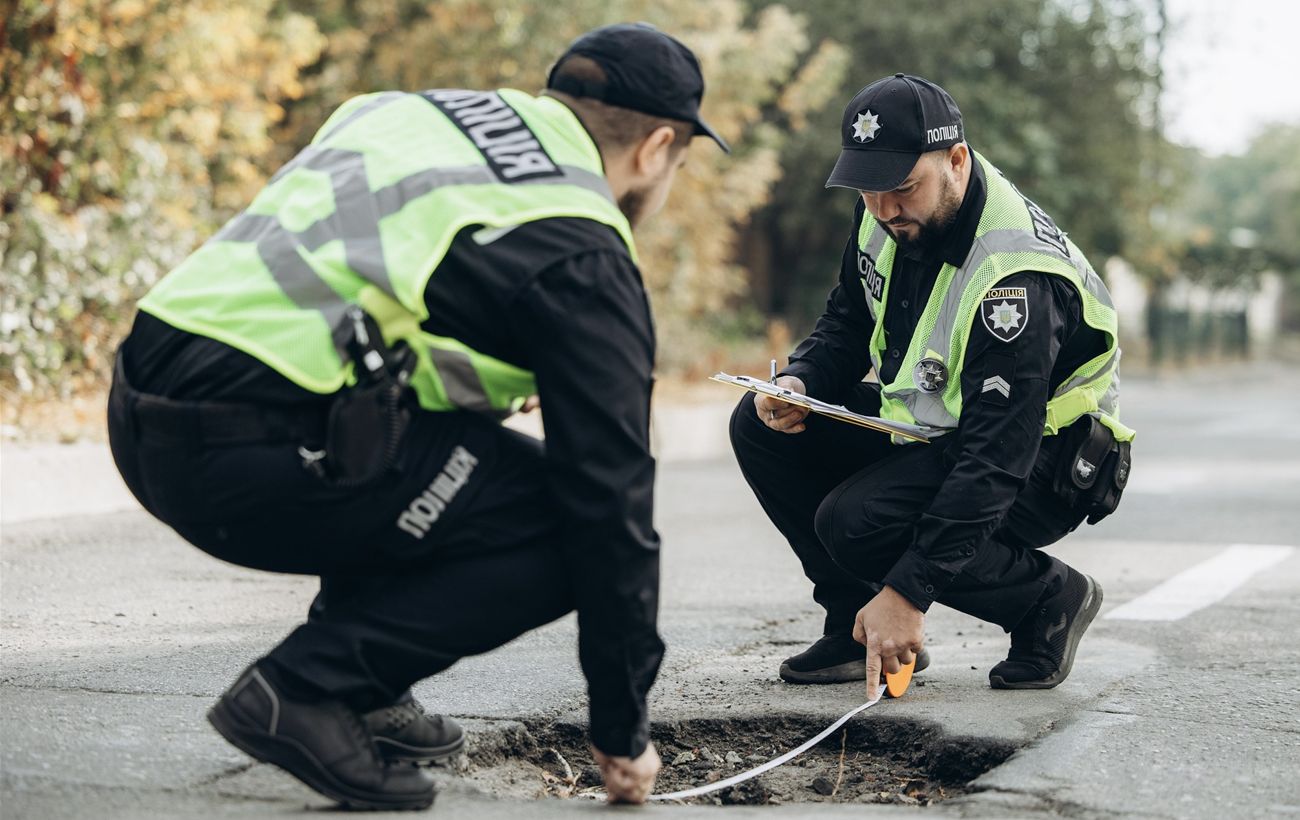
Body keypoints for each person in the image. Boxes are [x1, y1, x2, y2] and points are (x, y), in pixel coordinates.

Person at [107, 23, 729, 810]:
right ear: (656, 149)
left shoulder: (411, 116)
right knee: (562, 524)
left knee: (437, 447)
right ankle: (304, 689)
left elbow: (362, 303)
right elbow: (610, 506)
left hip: (140, 407)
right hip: (239, 452)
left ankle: (370, 694)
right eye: (676, 166)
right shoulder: (583, 251)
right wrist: (621, 724)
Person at [729, 74, 1133, 694]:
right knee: (761, 428)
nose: (886, 209)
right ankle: (854, 626)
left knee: (857, 522)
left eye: (902, 188)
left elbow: (997, 455)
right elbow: (848, 317)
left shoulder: (1014, 278)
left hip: (1044, 464)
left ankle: (1047, 599)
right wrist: (803, 379)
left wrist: (908, 592)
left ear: (956, 160)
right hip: (942, 432)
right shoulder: (887, 217)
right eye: (870, 191)